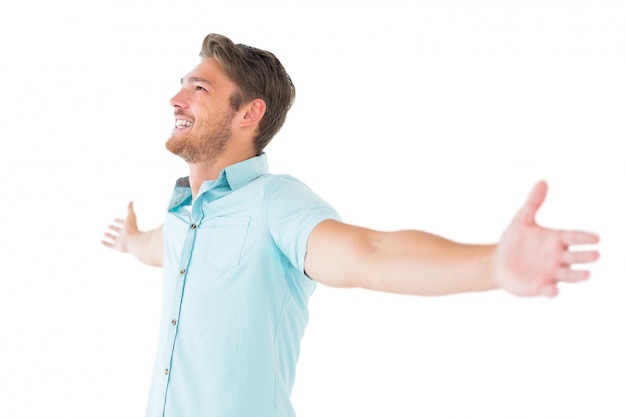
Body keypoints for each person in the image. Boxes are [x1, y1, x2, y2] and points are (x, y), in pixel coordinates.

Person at [101, 33, 600, 417]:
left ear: (249, 113)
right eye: (182, 84)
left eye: (198, 87)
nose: (176, 98)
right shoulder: (182, 216)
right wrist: (129, 239)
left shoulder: (275, 203)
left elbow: (371, 255)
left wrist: (490, 264)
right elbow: (156, 247)